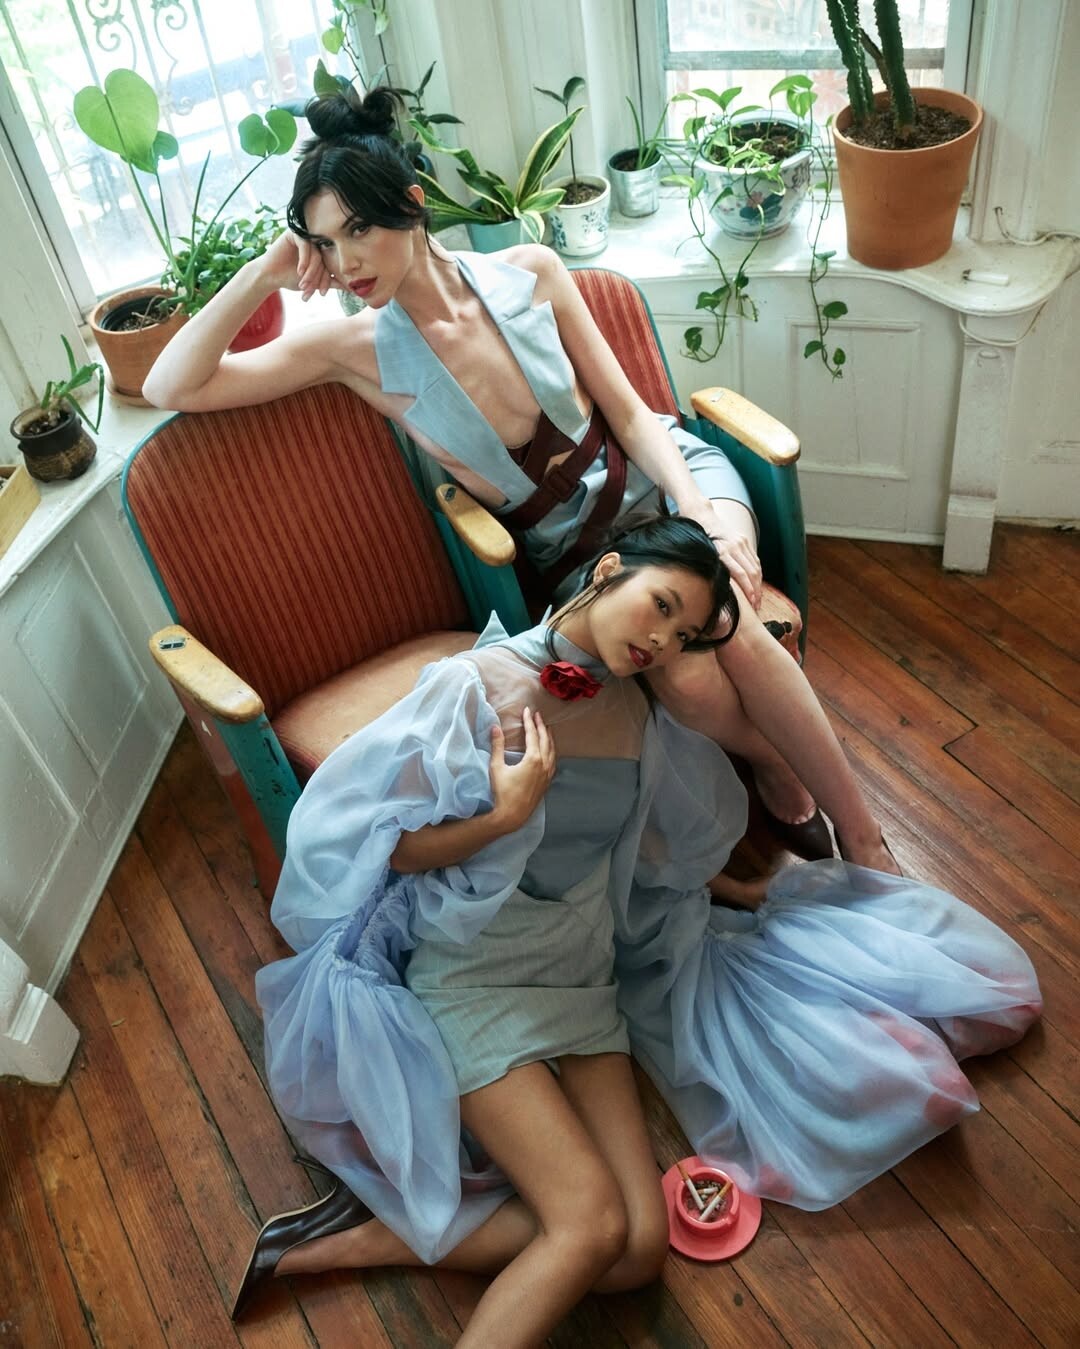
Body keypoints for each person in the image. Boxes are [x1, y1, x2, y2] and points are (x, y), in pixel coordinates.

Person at [233, 515, 1041, 1346]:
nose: (661, 639)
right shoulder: (474, 685)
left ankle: (370, 1235)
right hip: (475, 978)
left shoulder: (635, 710)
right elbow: (383, 844)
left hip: (583, 980)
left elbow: (636, 850)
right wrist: (502, 815)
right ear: (608, 569)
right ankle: (401, 1231)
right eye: (659, 606)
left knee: (639, 1248)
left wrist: (736, 890)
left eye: (683, 634)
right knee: (589, 1227)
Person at [144, 87, 882, 872]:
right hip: (580, 554)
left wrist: (696, 504)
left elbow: (633, 416)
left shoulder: (532, 271)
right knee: (690, 680)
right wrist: (265, 273)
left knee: (726, 602)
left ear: (412, 204)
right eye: (325, 243)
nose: (345, 261)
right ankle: (771, 757)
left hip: (669, 476)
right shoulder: (351, 350)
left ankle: (864, 835)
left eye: (358, 228)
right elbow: (168, 385)